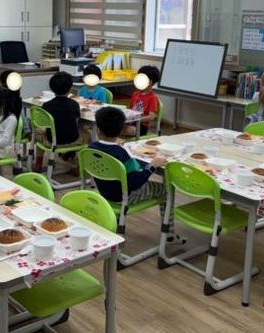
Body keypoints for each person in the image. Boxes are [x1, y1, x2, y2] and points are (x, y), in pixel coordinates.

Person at [89, 107, 183, 244]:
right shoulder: (121, 154)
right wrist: (152, 166)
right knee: (166, 190)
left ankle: (116, 220)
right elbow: (135, 182)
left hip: (104, 192)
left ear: (98, 128)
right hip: (125, 196)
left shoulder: (91, 148)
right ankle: (169, 235)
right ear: (121, 130)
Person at [42, 72, 89, 146]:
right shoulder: (74, 104)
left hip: (51, 139)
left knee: (39, 132)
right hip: (71, 139)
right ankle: (78, 152)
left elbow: (44, 124)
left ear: (52, 89)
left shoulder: (46, 105)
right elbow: (76, 123)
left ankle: (37, 154)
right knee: (87, 133)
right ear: (70, 88)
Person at [123, 65, 161, 136]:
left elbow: (151, 117)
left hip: (141, 126)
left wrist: (137, 119)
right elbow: (130, 110)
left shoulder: (152, 98)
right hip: (130, 122)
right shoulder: (135, 94)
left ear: (150, 82)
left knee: (128, 130)